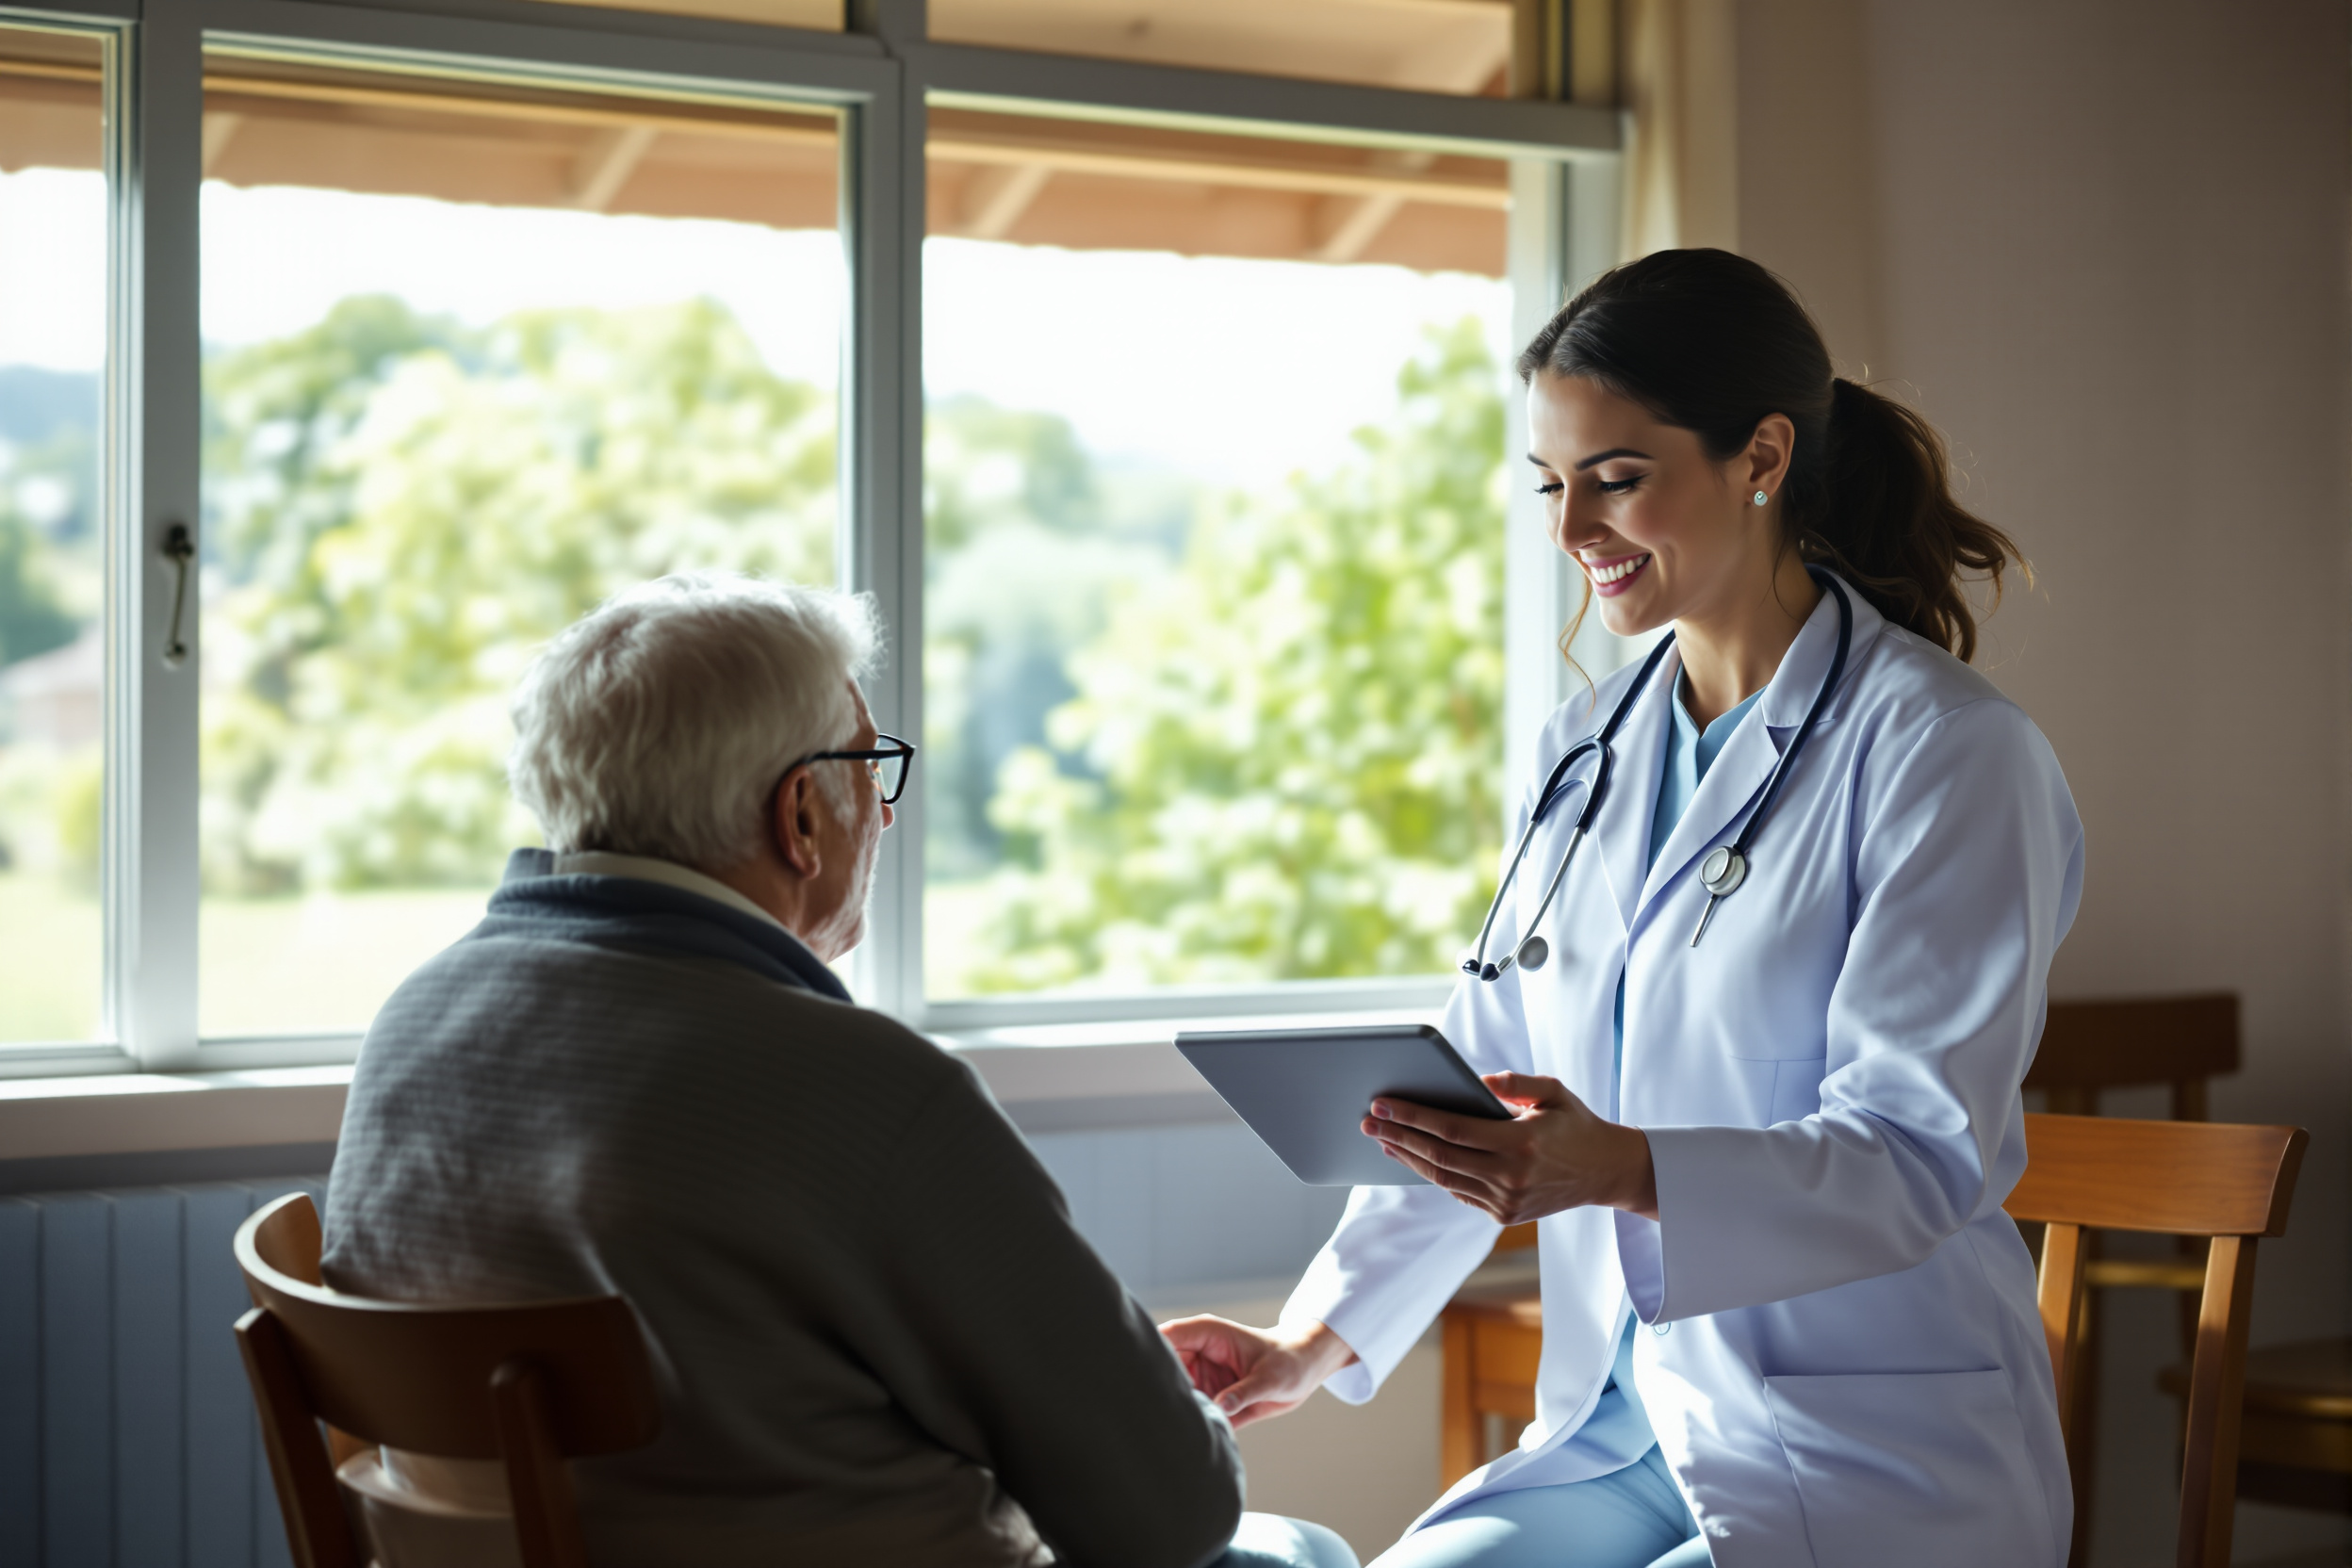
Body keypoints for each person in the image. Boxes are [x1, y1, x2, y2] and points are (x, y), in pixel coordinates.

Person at [1160, 250, 2083, 1568]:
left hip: (1867, 1450)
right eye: (1552, 483)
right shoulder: (1585, 749)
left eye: (1617, 476)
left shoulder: (1947, 753)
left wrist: (1628, 1167)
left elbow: (1919, 1150)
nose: (1572, 529)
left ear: (1761, 456)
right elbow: (1474, 1093)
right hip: (1621, 1424)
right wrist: (1307, 1342)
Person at [323, 573, 1357, 1568]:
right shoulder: (862, 1087)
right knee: (1304, 1553)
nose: (887, 812)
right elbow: (1170, 1518)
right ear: (802, 816)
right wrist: (1135, 1402)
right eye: (871, 769)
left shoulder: (411, 1027)